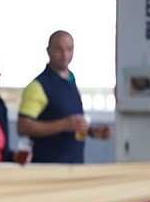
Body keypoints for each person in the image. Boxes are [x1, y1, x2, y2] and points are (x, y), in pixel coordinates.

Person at [16, 30, 112, 164]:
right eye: (59, 49)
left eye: (69, 49)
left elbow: (71, 123)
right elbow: (23, 127)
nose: (65, 55)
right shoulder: (38, 86)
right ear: (48, 51)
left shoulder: (71, 79)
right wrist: (63, 125)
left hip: (74, 165)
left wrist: (92, 131)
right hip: (48, 167)